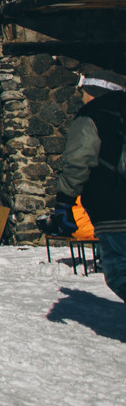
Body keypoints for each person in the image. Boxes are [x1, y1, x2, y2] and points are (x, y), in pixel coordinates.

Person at [46, 73, 126, 296]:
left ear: (93, 90)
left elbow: (78, 162)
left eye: (83, 91)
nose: (81, 96)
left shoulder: (92, 115)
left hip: (113, 208)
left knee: (120, 274)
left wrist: (64, 202)